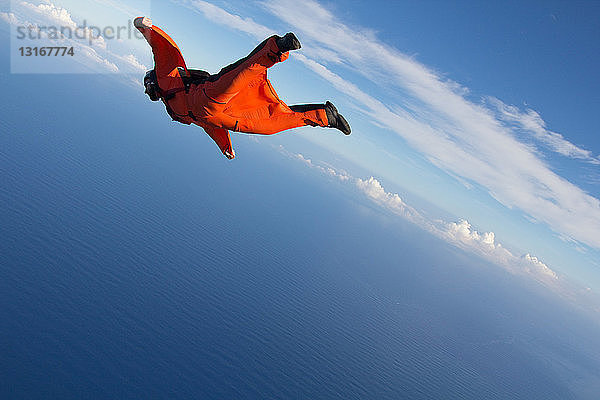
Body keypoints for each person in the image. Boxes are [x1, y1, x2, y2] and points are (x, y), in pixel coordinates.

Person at [134, 17, 351, 160]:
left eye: (148, 86)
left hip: (206, 98)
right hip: (223, 118)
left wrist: (146, 29)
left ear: (152, 81)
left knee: (243, 74)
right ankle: (326, 116)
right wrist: (225, 147)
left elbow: (164, 53)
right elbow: (207, 126)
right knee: (270, 126)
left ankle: (279, 47)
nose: (148, 91)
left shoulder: (167, 81)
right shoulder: (174, 110)